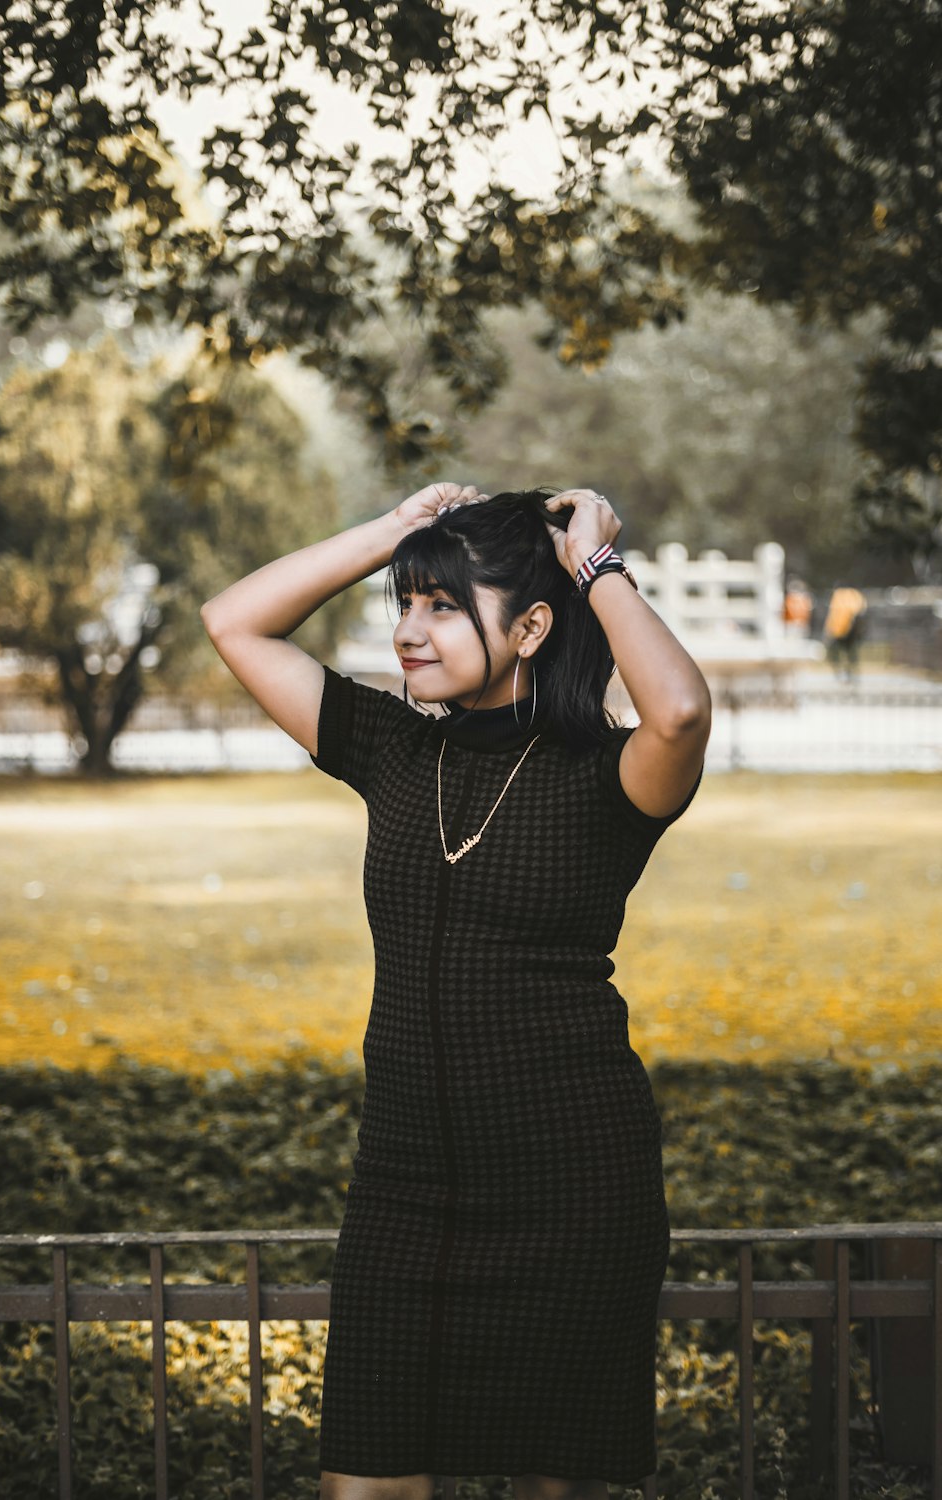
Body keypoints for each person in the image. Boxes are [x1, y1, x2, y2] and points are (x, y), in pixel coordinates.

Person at [201, 482, 711, 1500]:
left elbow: (683, 706)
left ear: (530, 627)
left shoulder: (613, 776)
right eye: (405, 603)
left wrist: (595, 569)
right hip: (404, 1188)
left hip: (571, 1191)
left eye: (441, 606)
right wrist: (397, 535)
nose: (407, 631)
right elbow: (235, 621)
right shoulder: (392, 749)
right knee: (365, 1483)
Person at [824, 583, 867, 681]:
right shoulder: (855, 595)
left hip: (841, 630)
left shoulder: (839, 596)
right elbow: (861, 611)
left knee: (841, 653)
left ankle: (844, 672)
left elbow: (833, 615)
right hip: (848, 630)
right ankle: (850, 672)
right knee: (851, 653)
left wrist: (829, 630)